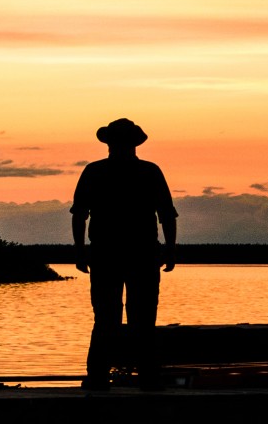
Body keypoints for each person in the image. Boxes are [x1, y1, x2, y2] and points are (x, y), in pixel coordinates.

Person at [71, 118, 178, 391]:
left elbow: (80, 216)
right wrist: (170, 249)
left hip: (111, 254)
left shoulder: (95, 172)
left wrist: (81, 251)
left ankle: (100, 377)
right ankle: (145, 377)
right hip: (138, 254)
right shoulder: (149, 172)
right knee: (140, 318)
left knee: (109, 318)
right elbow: (166, 215)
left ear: (110, 143)